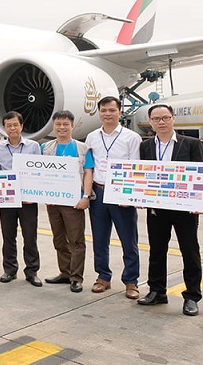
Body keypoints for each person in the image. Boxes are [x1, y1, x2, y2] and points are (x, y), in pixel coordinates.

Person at [136, 104, 203, 316]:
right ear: (151, 122)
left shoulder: (191, 144)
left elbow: (200, 174)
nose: (161, 122)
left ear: (173, 119)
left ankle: (192, 296)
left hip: (184, 208)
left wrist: (198, 203)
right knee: (156, 250)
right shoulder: (145, 146)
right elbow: (142, 174)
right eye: (156, 119)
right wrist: (138, 196)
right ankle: (157, 291)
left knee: (189, 251)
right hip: (157, 208)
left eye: (165, 117)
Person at [84, 96, 141, 299]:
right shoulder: (92, 137)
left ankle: (131, 281)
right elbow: (88, 167)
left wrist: (130, 197)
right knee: (99, 238)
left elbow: (136, 168)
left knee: (128, 240)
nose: (107, 114)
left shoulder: (131, 137)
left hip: (121, 194)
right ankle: (103, 276)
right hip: (99, 192)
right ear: (99, 113)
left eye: (112, 110)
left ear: (119, 112)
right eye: (104, 110)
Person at [42, 111, 94, 293]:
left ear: (73, 126)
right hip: (53, 201)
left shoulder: (82, 148)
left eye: (65, 124)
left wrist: (86, 196)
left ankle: (76, 277)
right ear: (54, 126)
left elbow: (88, 173)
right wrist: (44, 195)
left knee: (76, 240)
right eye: (58, 124)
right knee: (59, 239)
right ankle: (65, 272)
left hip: (74, 202)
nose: (62, 127)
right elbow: (40, 174)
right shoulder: (46, 148)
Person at [0, 111, 43, 286]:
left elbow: (39, 173)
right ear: (4, 128)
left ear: (21, 126)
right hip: (7, 199)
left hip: (28, 200)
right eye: (9, 125)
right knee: (8, 236)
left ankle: (32, 271)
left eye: (15, 125)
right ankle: (10, 270)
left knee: (30, 237)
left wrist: (34, 195)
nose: (12, 128)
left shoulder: (33, 146)